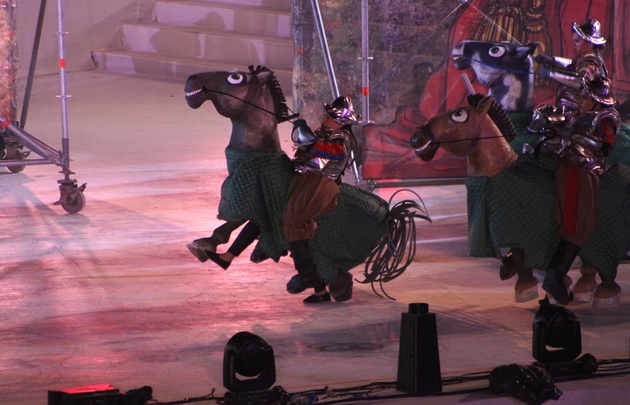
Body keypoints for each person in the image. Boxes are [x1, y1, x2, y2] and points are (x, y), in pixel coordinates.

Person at [530, 72, 619, 304]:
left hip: (580, 171)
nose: (580, 100)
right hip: (577, 172)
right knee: (577, 224)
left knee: (578, 225)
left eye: (585, 97)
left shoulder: (602, 117)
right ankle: (555, 276)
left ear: (597, 100)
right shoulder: (585, 117)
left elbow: (604, 142)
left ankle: (557, 276)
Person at [282, 96, 358, 302]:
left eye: (330, 117)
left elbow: (325, 155)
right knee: (295, 225)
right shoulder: (324, 132)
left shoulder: (342, 137)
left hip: (320, 184)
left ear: (341, 121)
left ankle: (308, 275)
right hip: (305, 180)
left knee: (293, 220)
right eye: (327, 115)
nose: (325, 118)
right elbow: (302, 153)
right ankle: (320, 292)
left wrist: (308, 140)